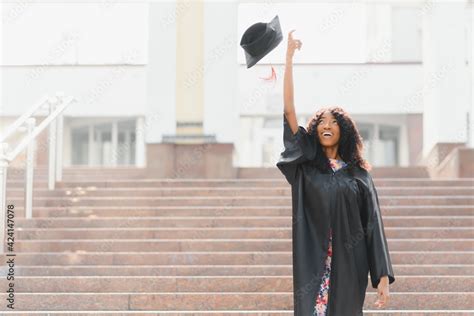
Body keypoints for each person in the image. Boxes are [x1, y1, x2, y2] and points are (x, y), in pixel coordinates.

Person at [276, 30, 395, 315]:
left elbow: (373, 225)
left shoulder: (359, 176)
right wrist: (289, 59)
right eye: (321, 122)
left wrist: (381, 276)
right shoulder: (306, 168)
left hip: (350, 263)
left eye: (334, 122)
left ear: (344, 131)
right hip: (313, 263)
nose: (327, 125)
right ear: (315, 131)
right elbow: (290, 111)